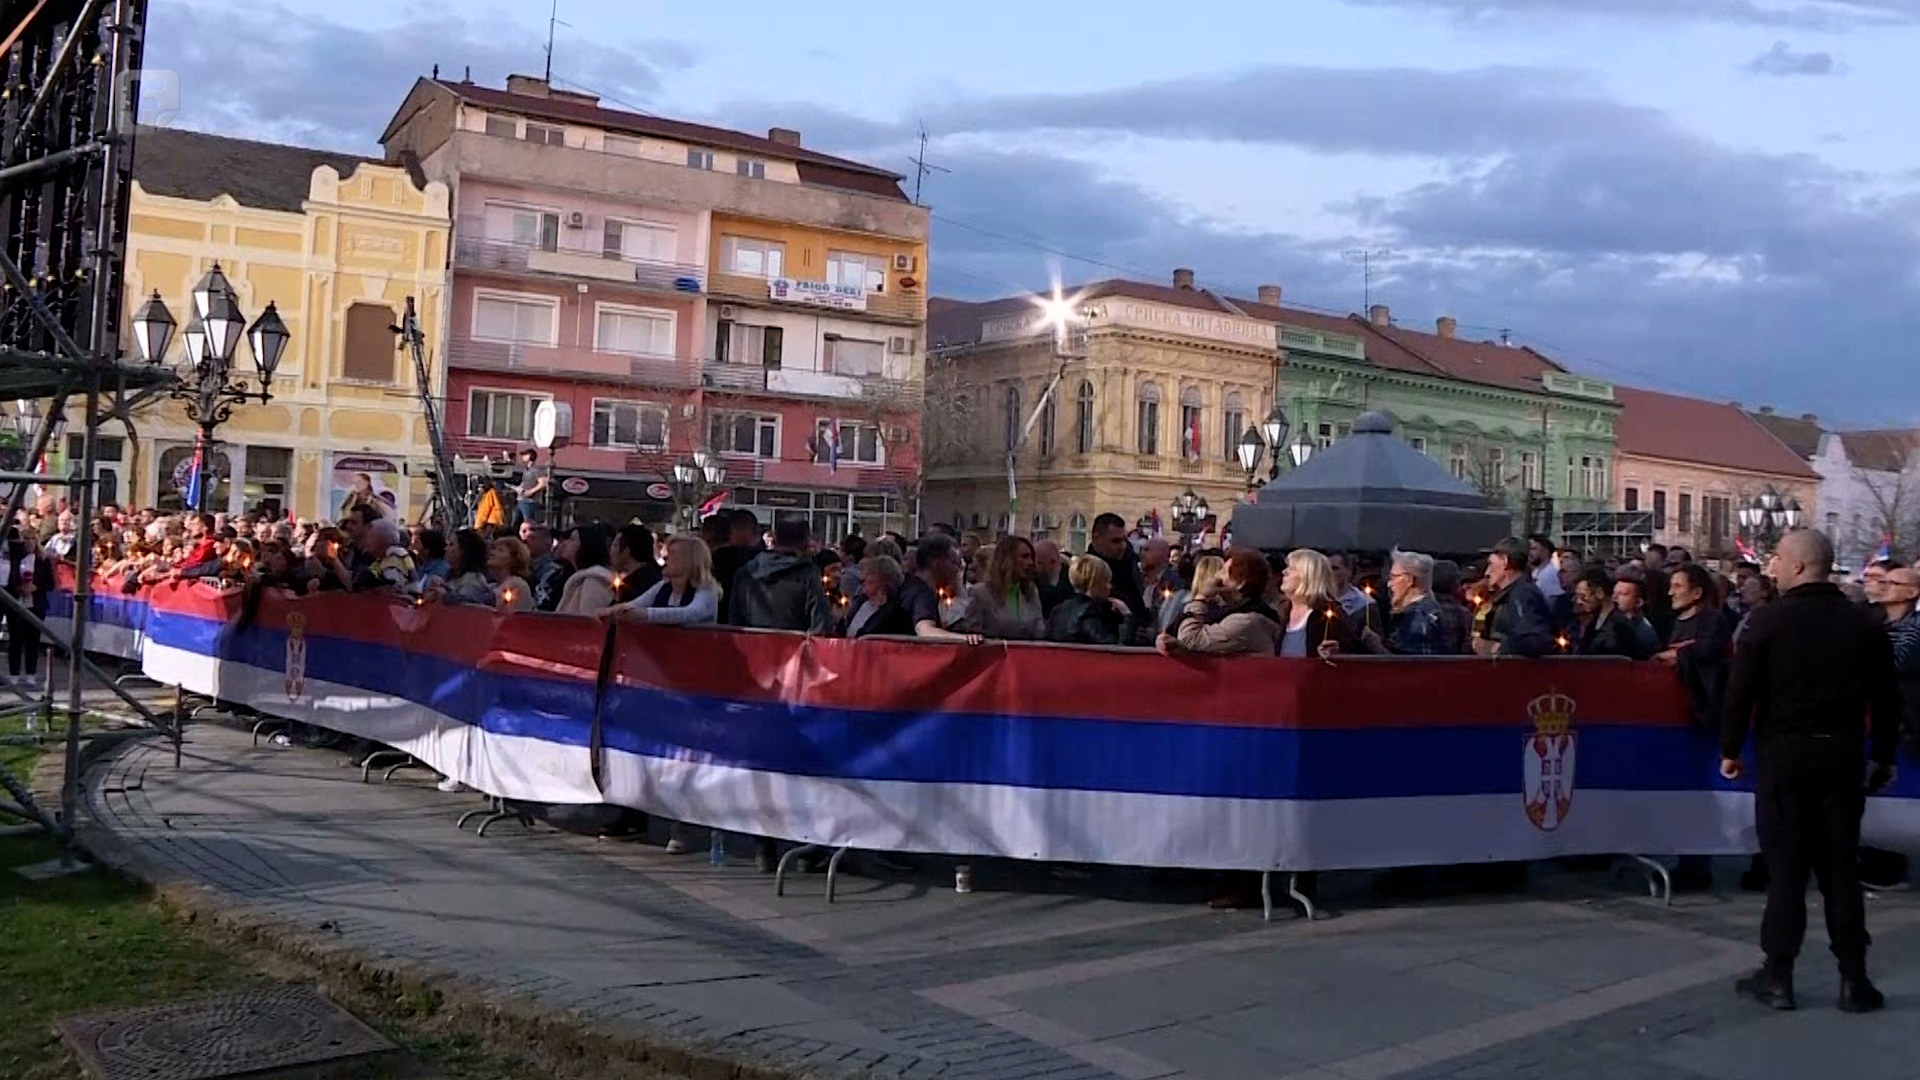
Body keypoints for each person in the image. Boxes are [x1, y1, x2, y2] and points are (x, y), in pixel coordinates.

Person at [1720, 528, 1899, 1014]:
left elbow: (1742, 692)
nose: (1770, 566)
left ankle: (1778, 977)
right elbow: (1886, 699)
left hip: (1785, 756)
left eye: (1777, 558)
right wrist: (1882, 755)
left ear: (1799, 566)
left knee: (1787, 870)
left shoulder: (1767, 622)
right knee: (1841, 868)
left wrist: (1730, 748)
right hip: (1842, 755)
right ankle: (1853, 979)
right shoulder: (1864, 625)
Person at [1158, 549, 1283, 656]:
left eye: (1224, 572)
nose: (1217, 575)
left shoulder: (1246, 622)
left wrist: (1201, 597)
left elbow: (1190, 640)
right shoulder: (1233, 612)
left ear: (1241, 583)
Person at [726, 518, 831, 633]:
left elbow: (734, 620)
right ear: (805, 543)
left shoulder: (746, 572)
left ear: (775, 539)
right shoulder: (808, 574)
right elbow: (820, 624)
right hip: (793, 648)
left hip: (751, 646)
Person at [607, 536, 723, 626]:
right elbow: (634, 605)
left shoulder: (707, 589)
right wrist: (608, 612)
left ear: (688, 561)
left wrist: (645, 614)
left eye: (672, 553)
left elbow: (691, 613)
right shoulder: (662, 586)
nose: (665, 557)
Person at [1475, 537, 1555, 658]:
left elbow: (1532, 641)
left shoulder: (1522, 594)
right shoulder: (1513, 594)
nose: (1487, 572)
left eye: (1491, 564)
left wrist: (1495, 648)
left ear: (1505, 561)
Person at [965, 536, 1047, 640]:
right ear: (1007, 559)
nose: (1030, 563)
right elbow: (972, 635)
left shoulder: (1031, 592)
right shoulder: (980, 593)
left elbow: (1039, 632)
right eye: (1025, 557)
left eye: (1031, 558)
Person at [1047, 554, 1136, 646]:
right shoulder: (1090, 614)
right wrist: (1127, 617)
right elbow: (1114, 649)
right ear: (1094, 583)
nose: (1110, 587)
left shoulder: (1057, 610)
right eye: (1107, 581)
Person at [5, 527, 48, 689]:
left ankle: (31, 673)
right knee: (16, 639)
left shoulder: (42, 559)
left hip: (35, 604)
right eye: (26, 539)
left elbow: (49, 583)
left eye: (32, 539)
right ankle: (14, 673)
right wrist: (18, 588)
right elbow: (10, 578)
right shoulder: (16, 558)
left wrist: (36, 586)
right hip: (17, 603)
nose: (29, 542)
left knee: (32, 640)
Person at [1383, 549, 1448, 656]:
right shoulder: (1427, 610)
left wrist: (1374, 645)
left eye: (1393, 577)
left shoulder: (1417, 618)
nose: (1389, 584)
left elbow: (1411, 666)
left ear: (1409, 580)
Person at [1571, 567, 1643, 658]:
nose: (1578, 601)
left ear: (1600, 593)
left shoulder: (1619, 628)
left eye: (1583, 596)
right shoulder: (1593, 623)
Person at [841, 555, 916, 639]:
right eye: (864, 581)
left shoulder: (896, 614)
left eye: (870, 582)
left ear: (885, 583)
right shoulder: (860, 602)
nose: (864, 586)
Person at [556, 524, 618, 615]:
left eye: (572, 539)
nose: (565, 543)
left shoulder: (595, 581)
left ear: (585, 545)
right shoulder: (570, 576)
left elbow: (589, 620)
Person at [610, 522, 662, 604]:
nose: (611, 552)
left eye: (614, 546)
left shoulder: (644, 586)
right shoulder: (653, 574)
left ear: (626, 552)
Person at [487, 536, 534, 612]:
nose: (493, 553)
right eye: (494, 549)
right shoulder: (492, 585)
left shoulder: (517, 585)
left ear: (513, 559)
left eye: (500, 550)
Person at [512, 449, 547, 527]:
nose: (522, 457)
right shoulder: (526, 470)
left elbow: (543, 483)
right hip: (520, 499)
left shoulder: (536, 470)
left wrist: (531, 491)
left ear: (530, 456)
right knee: (516, 523)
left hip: (529, 501)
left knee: (527, 523)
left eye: (525, 455)